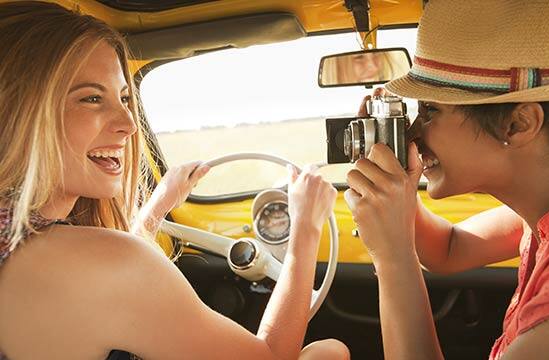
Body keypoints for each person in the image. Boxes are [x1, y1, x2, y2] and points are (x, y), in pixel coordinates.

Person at [0, 2, 349, 359]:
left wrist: (158, 206)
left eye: (124, 98)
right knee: (329, 352)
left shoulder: (22, 241)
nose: (129, 125)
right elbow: (272, 356)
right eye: (91, 98)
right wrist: (306, 228)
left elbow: (106, 280)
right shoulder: (107, 261)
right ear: (19, 113)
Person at [345, 0, 549, 359]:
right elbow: (448, 249)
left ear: (518, 124)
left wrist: (392, 259)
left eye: (430, 110)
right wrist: (394, 193)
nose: (413, 133)